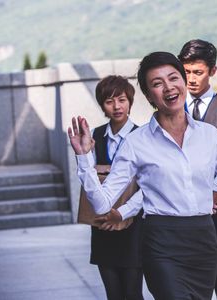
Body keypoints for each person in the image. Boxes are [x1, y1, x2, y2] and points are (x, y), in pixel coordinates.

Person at [68, 51, 217, 300]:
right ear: (149, 95)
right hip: (161, 241)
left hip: (203, 240)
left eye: (173, 78)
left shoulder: (209, 136)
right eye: (157, 83)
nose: (168, 87)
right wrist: (85, 159)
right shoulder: (136, 142)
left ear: (183, 82)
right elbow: (101, 203)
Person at [178, 39, 217, 300]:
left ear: (213, 71)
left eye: (198, 72)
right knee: (189, 284)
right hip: (180, 212)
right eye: (186, 72)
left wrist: (208, 198)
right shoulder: (172, 109)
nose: (191, 79)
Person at [88, 75, 143, 300]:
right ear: (102, 105)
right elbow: (89, 179)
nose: (117, 106)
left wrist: (121, 214)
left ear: (130, 101)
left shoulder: (142, 135)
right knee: (113, 293)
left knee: (132, 293)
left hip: (133, 225)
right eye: (109, 101)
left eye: (121, 99)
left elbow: (148, 184)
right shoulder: (96, 135)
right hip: (103, 225)